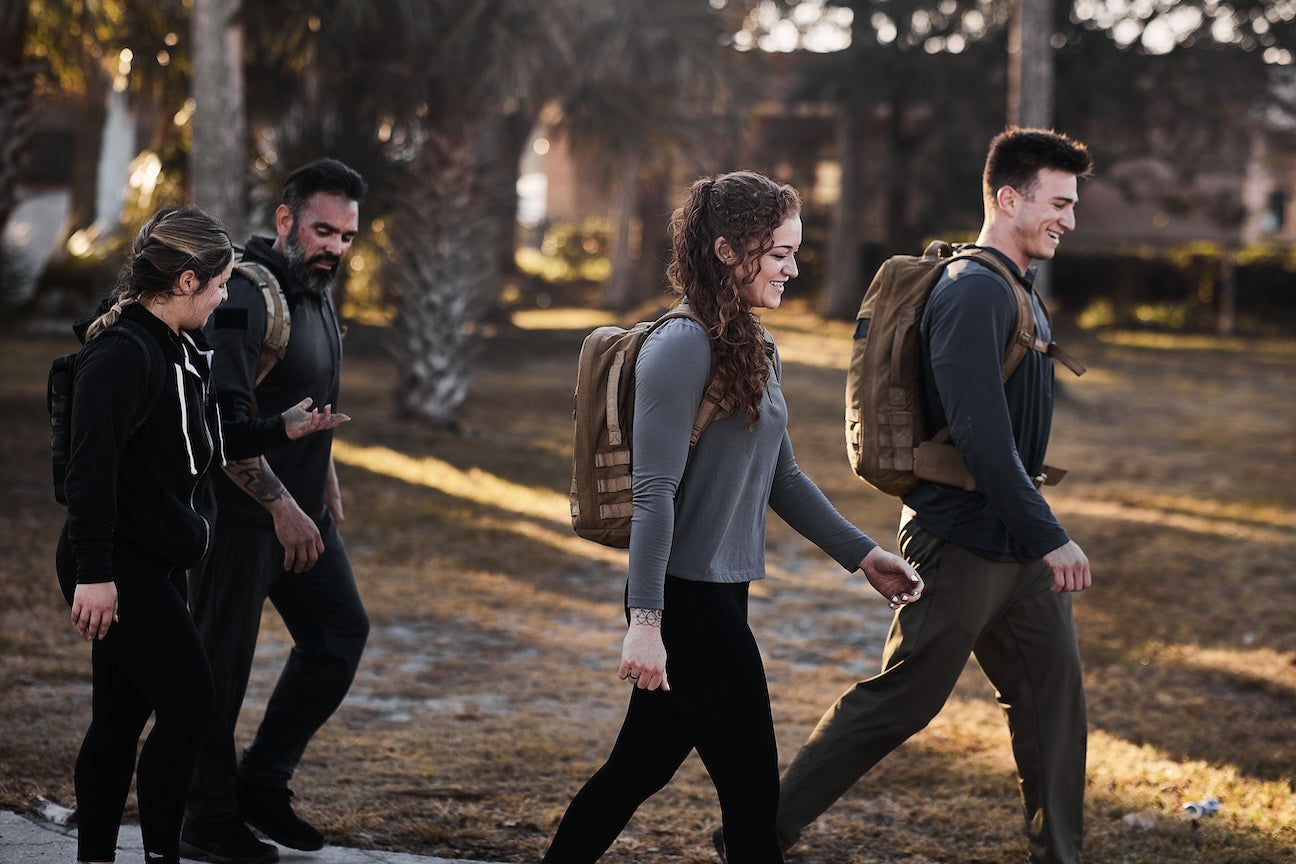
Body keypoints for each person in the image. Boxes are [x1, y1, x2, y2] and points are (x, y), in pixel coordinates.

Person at [541, 171, 924, 864]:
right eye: (778, 254)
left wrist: (864, 556)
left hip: (718, 595)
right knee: (751, 800)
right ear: (726, 250)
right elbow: (654, 493)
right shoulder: (681, 346)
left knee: (636, 772)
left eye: (794, 254)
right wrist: (646, 624)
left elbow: (783, 475)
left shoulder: (753, 345)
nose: (793, 269)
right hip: (685, 604)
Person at [770, 128, 1095, 864]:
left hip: (1014, 542)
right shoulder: (973, 290)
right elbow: (981, 436)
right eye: (1059, 202)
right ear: (1008, 198)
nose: (1069, 220)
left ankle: (1063, 856)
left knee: (1054, 706)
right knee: (901, 702)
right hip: (959, 541)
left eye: (1074, 205)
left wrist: (1034, 536)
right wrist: (1051, 535)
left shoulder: (1013, 286)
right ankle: (761, 832)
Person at [55, 206, 344, 864]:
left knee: (122, 719)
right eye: (219, 286)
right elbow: (88, 478)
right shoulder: (122, 356)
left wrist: (283, 428)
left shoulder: (179, 347)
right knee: (190, 708)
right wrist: (96, 576)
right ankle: (164, 854)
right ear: (187, 281)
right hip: (113, 562)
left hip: (152, 560)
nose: (223, 298)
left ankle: (98, 857)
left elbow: (209, 443)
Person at [181, 159, 370, 864]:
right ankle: (203, 819)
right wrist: (284, 508)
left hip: (299, 509)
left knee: (338, 635)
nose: (336, 248)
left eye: (348, 237)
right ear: (287, 220)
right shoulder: (244, 298)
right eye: (324, 231)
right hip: (237, 519)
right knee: (218, 668)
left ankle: (260, 783)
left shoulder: (316, 290)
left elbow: (304, 397)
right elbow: (221, 424)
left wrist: (326, 482)